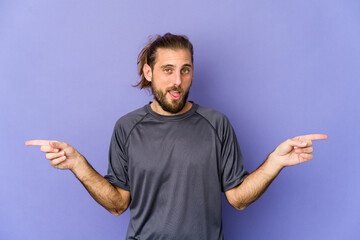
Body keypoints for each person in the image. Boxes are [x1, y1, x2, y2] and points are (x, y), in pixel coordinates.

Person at [25, 33, 328, 239]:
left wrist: (275, 162)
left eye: (185, 70)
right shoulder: (127, 127)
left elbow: (238, 199)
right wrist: (78, 164)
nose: (177, 81)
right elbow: (118, 204)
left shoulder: (216, 124)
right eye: (167, 70)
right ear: (148, 73)